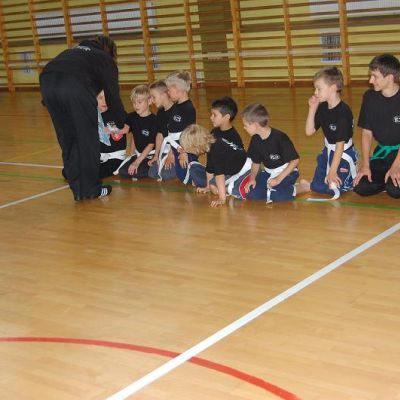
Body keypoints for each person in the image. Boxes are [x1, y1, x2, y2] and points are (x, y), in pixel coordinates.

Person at [40, 35, 126, 201]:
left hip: (48, 82)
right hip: (74, 87)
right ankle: (91, 190)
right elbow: (112, 96)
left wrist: (52, 101)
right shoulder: (105, 59)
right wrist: (122, 122)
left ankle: (78, 189)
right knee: (88, 140)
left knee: (68, 140)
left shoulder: (73, 51)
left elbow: (55, 72)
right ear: (110, 52)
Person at [305, 67, 357, 199]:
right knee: (317, 186)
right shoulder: (323, 107)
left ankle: (349, 177)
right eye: (315, 89)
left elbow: (340, 146)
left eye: (319, 89)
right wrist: (312, 109)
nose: (315, 92)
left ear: (333, 88)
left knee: (333, 189)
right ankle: (318, 181)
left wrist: (332, 172)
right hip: (328, 152)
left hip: (343, 153)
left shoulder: (343, 113)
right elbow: (309, 131)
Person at [354, 53, 400, 199]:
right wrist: (365, 165)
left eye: (375, 76)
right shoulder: (370, 97)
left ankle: (390, 181)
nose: (370, 80)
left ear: (390, 78)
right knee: (361, 187)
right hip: (383, 153)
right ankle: (387, 180)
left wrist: (396, 166)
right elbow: (367, 133)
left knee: (395, 191)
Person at [243, 103, 310, 203]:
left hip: (287, 171)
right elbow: (255, 162)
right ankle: (279, 187)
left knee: (278, 196)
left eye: (246, 125)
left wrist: (278, 179)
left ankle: (302, 187)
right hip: (268, 172)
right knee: (252, 194)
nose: (244, 128)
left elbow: (295, 160)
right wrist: (252, 178)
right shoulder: (255, 140)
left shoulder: (280, 137)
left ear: (255, 125)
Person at [180, 124, 250, 207]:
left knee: (215, 187)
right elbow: (210, 169)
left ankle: (231, 188)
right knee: (211, 185)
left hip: (245, 169)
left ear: (196, 146)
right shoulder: (212, 144)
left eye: (190, 150)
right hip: (234, 168)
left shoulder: (216, 150)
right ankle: (228, 186)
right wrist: (207, 187)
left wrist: (222, 199)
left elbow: (219, 175)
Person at [188, 96, 245, 188]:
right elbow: (209, 159)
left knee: (211, 184)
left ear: (226, 117)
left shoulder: (233, 137)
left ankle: (224, 185)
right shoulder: (214, 132)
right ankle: (214, 184)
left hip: (230, 173)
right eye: (211, 114)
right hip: (216, 170)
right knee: (193, 169)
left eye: (214, 115)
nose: (211, 117)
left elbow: (238, 162)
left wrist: (209, 185)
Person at [157, 70, 197, 184]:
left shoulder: (188, 108)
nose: (168, 93)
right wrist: (171, 152)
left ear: (177, 89)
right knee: (179, 175)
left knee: (186, 177)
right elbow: (171, 132)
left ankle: (200, 172)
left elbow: (189, 133)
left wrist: (184, 153)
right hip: (175, 147)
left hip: (185, 147)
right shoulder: (175, 106)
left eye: (169, 90)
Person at [118, 85, 157, 180]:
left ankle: (155, 165)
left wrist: (137, 162)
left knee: (137, 173)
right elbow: (131, 133)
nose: (136, 105)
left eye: (139, 102)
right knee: (122, 171)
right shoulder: (131, 117)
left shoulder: (154, 120)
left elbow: (151, 145)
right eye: (134, 102)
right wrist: (132, 156)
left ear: (149, 101)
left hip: (150, 155)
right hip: (138, 154)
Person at [147, 80, 176, 181]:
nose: (152, 101)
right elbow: (160, 134)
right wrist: (156, 155)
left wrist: (171, 155)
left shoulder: (177, 111)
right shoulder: (160, 113)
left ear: (164, 95)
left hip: (177, 150)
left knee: (165, 175)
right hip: (165, 150)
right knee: (152, 173)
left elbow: (180, 136)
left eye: (153, 97)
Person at [96, 90, 129, 178]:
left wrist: (113, 129)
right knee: (68, 171)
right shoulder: (92, 114)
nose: (104, 101)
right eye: (100, 98)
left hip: (115, 158)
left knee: (95, 173)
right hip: (99, 157)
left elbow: (127, 128)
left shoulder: (117, 112)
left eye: (106, 98)